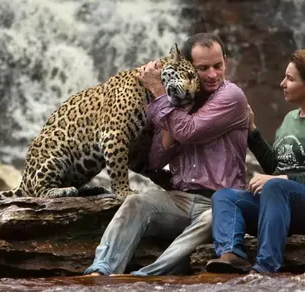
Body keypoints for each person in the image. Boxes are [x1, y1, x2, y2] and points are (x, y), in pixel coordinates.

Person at [83, 32, 249, 276]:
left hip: (219, 200)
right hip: (180, 198)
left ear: (225, 60)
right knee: (136, 202)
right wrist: (173, 105)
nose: (212, 75)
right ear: (188, 68)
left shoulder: (230, 96)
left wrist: (158, 92)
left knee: (213, 218)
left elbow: (189, 131)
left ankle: (145, 277)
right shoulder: (175, 100)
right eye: (203, 68)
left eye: (218, 65)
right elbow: (157, 160)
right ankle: (100, 271)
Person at [206, 49, 305, 274]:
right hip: (282, 203)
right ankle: (232, 254)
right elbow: (277, 167)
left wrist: (280, 179)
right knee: (225, 197)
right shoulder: (291, 118)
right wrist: (251, 130)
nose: (282, 83)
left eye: (290, 79)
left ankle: (265, 267)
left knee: (274, 185)